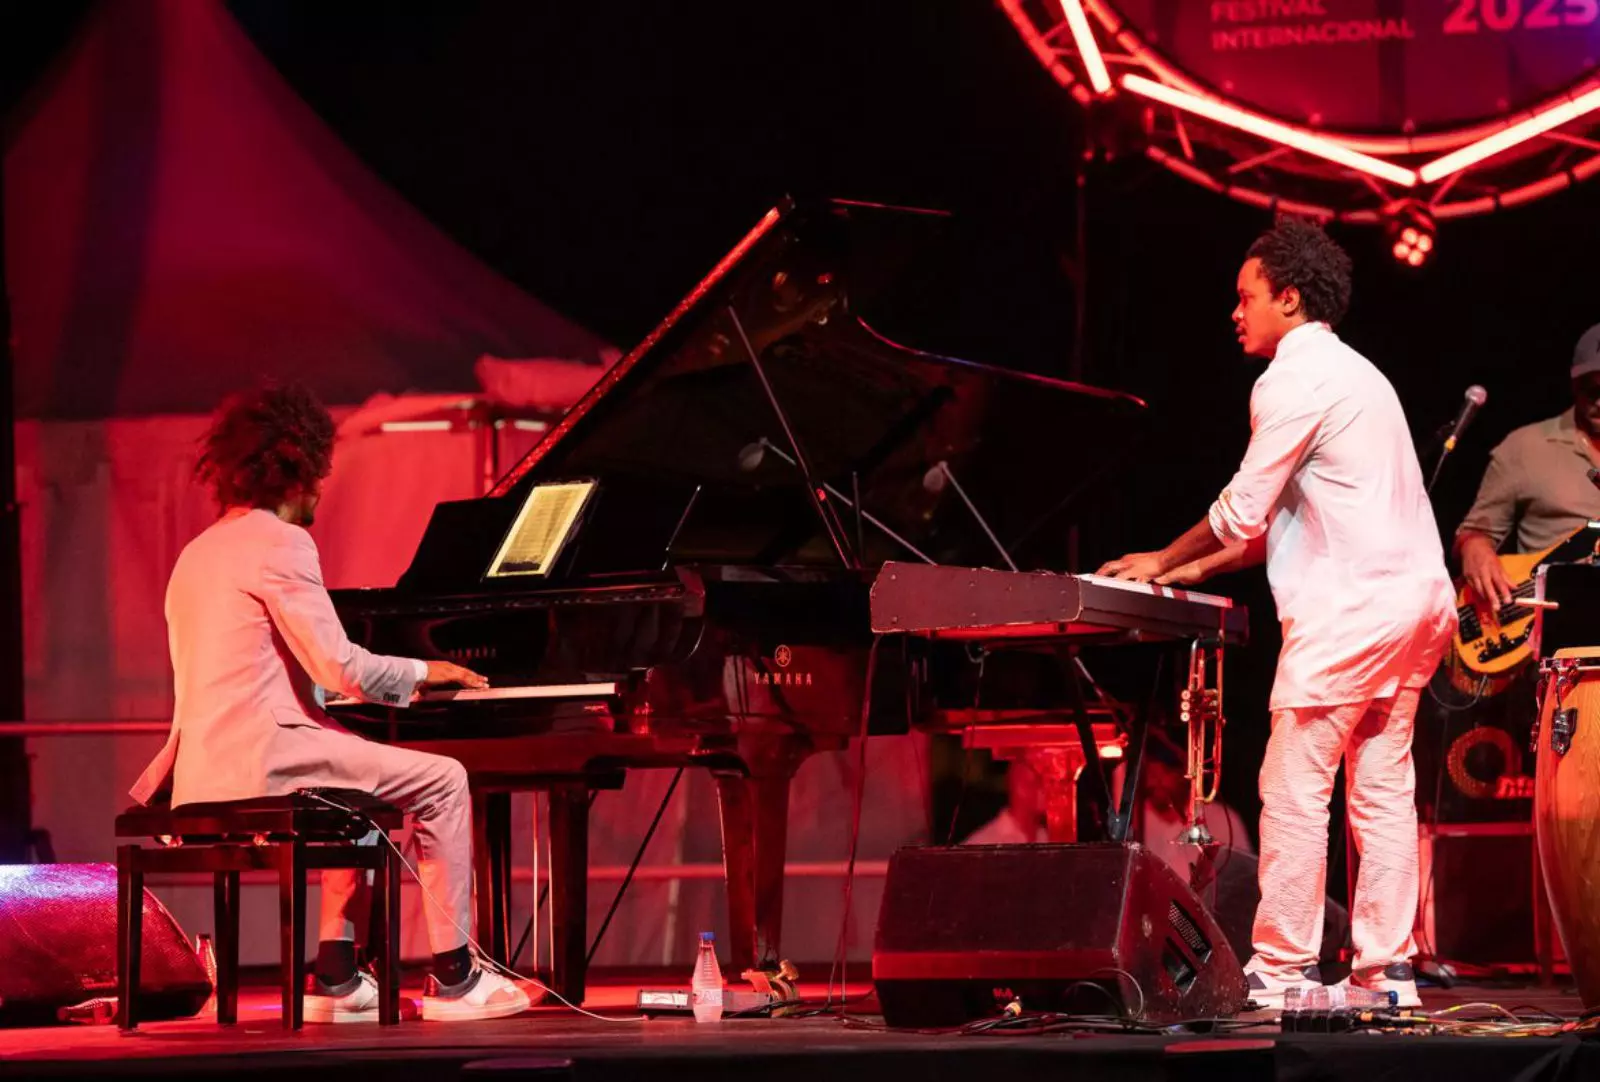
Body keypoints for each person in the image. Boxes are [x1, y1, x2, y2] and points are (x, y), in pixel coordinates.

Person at [1097, 219, 1455, 1010]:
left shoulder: (1291, 378)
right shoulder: (1360, 374)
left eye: (1246, 296)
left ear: (1288, 299)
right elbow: (1277, 525)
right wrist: (1184, 567)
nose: (1235, 312)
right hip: (1419, 605)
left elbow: (1241, 509)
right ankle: (1386, 972)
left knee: (1294, 782)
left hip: (1354, 610)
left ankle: (1282, 969)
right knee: (1381, 786)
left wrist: (1158, 559)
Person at [129, 384, 532, 1023]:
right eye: (319, 475)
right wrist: (425, 671)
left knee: (357, 780)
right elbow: (340, 668)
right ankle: (457, 978)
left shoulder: (197, 552)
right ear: (296, 469)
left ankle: (337, 976)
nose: (321, 490)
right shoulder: (280, 542)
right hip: (266, 753)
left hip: (205, 766)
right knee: (445, 780)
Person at [1455, 322, 1600, 609]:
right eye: (1593, 389)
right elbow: (1475, 533)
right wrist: (1474, 548)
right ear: (1574, 384)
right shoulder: (1526, 447)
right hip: (1548, 621)